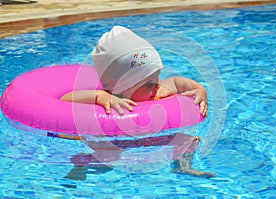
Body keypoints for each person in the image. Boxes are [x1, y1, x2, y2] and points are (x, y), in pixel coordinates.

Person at [61, 26, 214, 178]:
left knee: (188, 140)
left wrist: (200, 91)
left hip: (151, 138)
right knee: (108, 160)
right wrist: (99, 97)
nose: (157, 86)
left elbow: (179, 82)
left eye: (157, 77)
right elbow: (66, 100)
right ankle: (81, 164)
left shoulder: (158, 91)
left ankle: (182, 167)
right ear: (119, 87)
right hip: (115, 142)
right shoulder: (109, 99)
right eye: (148, 84)